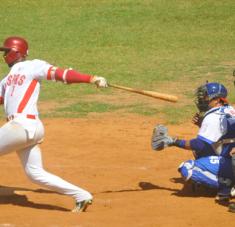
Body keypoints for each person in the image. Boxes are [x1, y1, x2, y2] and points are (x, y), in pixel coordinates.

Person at [0, 36, 108, 212]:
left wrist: (91, 78)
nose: (3, 56)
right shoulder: (7, 79)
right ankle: (82, 195)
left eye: (5, 52)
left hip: (21, 125)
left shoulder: (32, 65)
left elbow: (61, 74)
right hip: (30, 128)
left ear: (14, 52)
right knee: (35, 174)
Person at [151, 82, 235, 201]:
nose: (202, 100)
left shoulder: (213, 117)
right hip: (231, 160)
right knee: (199, 153)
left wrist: (173, 141)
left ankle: (226, 184)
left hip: (230, 163)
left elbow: (199, 145)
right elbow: (221, 135)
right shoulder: (229, 109)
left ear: (216, 100)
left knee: (187, 168)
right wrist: (201, 125)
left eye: (206, 97)